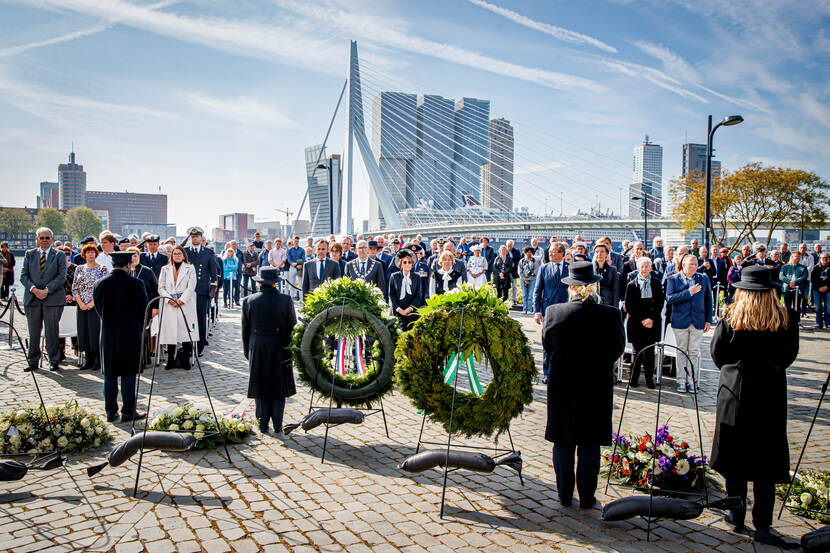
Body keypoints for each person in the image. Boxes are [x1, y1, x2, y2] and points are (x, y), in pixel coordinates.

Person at [710, 265, 799, 549]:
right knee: (765, 460)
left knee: (736, 455)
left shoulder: (730, 317)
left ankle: (736, 515)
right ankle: (762, 524)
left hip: (735, 391)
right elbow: (788, 355)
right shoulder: (785, 319)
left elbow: (718, 353)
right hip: (769, 394)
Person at [542, 261, 625, 509]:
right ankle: (587, 497)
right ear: (594, 286)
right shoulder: (611, 315)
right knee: (589, 444)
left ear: (571, 287)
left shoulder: (555, 312)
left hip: (563, 384)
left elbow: (548, 345)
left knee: (564, 442)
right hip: (596, 384)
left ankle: (564, 495)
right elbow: (617, 348)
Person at [93, 251, 149, 422]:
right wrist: (140, 325)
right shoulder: (136, 283)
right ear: (128, 265)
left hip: (108, 333)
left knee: (110, 374)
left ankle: (110, 411)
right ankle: (128, 411)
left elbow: (98, 308)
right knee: (129, 374)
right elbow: (144, 310)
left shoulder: (100, 283)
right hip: (131, 333)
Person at [242, 266, 297, 435]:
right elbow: (292, 326)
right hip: (280, 346)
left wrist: (247, 351)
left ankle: (262, 423)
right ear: (275, 283)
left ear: (259, 283)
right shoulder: (286, 300)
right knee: (278, 387)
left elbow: (245, 330)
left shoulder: (249, 300)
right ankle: (278, 424)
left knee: (261, 387)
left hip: (258, 346)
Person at [20, 227, 67, 372]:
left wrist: (47, 290)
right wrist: (34, 289)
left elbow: (61, 276)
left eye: (47, 238)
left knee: (52, 331)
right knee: (33, 331)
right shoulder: (29, 254)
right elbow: (23, 276)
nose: (45, 240)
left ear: (52, 239)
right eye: (42, 238)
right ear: (37, 239)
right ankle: (33, 361)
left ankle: (54, 360)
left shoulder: (59, 255)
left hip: (52, 298)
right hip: (33, 299)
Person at [666, 255, 712, 392]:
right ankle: (681, 381)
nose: (694, 266)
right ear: (684, 264)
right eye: (691, 264)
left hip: (698, 321)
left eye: (696, 264)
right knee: (681, 351)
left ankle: (692, 381)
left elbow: (708, 300)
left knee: (694, 352)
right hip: (680, 321)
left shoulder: (703, 278)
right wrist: (689, 293)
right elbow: (670, 298)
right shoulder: (673, 278)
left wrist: (708, 320)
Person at [155, 245, 198, 371]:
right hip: (169, 303)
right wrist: (169, 299)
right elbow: (161, 287)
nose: (177, 256)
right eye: (175, 254)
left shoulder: (190, 268)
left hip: (184, 302)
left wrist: (181, 300)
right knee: (170, 331)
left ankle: (186, 360)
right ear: (171, 256)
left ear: (184, 255)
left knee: (185, 332)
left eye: (179, 253)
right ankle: (170, 360)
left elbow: (191, 287)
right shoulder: (165, 269)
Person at [624, 257, 664, 388]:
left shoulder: (656, 283)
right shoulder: (631, 285)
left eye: (647, 266)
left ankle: (649, 380)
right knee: (637, 353)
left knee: (649, 352)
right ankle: (634, 379)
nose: (644, 269)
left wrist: (651, 319)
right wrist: (642, 320)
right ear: (638, 268)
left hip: (651, 322)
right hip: (637, 322)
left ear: (651, 268)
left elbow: (659, 303)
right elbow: (629, 306)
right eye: (642, 266)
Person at [534, 243, 570, 384]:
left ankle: (563, 372)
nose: (551, 254)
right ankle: (547, 373)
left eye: (554, 252)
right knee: (547, 343)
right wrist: (537, 311)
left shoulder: (569, 268)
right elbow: (538, 291)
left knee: (565, 342)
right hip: (548, 310)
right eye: (550, 252)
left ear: (562, 254)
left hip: (565, 309)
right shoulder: (544, 268)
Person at [183, 227, 219, 356]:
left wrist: (213, 289)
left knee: (200, 318)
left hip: (202, 290)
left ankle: (199, 345)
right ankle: (187, 344)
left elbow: (213, 272)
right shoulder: (185, 252)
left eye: (197, 236)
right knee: (186, 318)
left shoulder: (208, 252)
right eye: (192, 237)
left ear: (201, 237)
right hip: (187, 290)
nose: (195, 239)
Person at [72, 243, 107, 371]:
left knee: (95, 331)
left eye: (93, 252)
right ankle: (88, 358)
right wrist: (80, 302)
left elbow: (104, 287)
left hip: (95, 305)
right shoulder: (79, 269)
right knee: (83, 331)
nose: (90, 254)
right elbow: (75, 286)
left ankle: (98, 358)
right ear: (84, 254)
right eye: (88, 252)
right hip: (81, 304)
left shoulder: (102, 268)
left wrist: (93, 302)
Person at [388, 249, 423, 331]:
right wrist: (398, 309)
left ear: (412, 264)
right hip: (398, 311)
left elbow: (418, 296)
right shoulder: (394, 276)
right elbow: (391, 294)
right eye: (405, 262)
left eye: (409, 262)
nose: (407, 264)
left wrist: (410, 308)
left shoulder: (416, 277)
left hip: (412, 312)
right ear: (401, 264)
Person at [780, 251, 808, 325]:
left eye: (799, 257)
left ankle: (797, 321)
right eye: (796, 256)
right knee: (787, 306)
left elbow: (804, 277)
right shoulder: (784, 267)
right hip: (787, 289)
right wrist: (789, 282)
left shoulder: (803, 268)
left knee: (797, 306)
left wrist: (795, 282)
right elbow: (781, 276)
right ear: (792, 257)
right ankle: (786, 321)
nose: (798, 258)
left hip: (798, 289)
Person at [592, 243, 619, 308]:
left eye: (602, 251)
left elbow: (616, 290)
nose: (599, 254)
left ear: (606, 254)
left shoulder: (612, 269)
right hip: (593, 302)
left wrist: (615, 307)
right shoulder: (589, 269)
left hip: (608, 303)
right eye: (597, 252)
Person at [518, 246, 540, 314]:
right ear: (525, 252)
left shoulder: (534, 261)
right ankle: (524, 309)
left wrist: (529, 278)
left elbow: (536, 271)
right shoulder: (522, 261)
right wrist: (524, 278)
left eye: (530, 252)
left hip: (532, 280)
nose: (529, 253)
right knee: (524, 295)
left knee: (530, 295)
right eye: (527, 252)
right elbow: (519, 271)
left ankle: (529, 309)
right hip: (523, 279)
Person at [811, 252, 830, 328]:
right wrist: (819, 288)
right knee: (818, 307)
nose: (825, 259)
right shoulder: (816, 268)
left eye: (826, 257)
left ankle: (828, 323)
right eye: (823, 258)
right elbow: (813, 280)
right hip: (817, 290)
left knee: (828, 307)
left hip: (828, 290)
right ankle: (819, 323)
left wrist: (827, 287)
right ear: (820, 259)